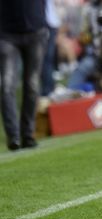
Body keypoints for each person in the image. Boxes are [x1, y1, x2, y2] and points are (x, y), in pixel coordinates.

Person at [0, 0, 49, 150]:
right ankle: (13, 136)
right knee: (7, 86)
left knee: (32, 85)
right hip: (6, 34)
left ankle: (28, 135)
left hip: (36, 31)